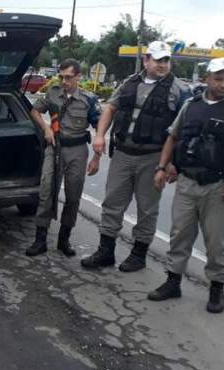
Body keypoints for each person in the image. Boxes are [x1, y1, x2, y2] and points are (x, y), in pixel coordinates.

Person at [148, 57, 224, 313]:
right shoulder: (191, 104)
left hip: (217, 187)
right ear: (206, 79)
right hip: (186, 183)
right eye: (218, 79)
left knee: (216, 242)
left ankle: (216, 289)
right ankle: (173, 281)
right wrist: (162, 166)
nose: (223, 85)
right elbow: (173, 137)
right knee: (179, 235)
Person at [81, 41, 191, 272]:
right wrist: (100, 135)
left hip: (153, 158)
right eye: (158, 60)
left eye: (166, 60)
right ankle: (106, 251)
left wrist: (174, 162)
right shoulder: (129, 83)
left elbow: (185, 129)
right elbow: (110, 108)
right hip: (122, 153)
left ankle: (138, 255)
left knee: (147, 209)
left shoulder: (179, 90)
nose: (162, 65)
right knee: (112, 203)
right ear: (146, 60)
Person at [25, 58, 101, 257]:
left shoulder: (88, 99)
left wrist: (98, 154)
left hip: (77, 150)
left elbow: (99, 124)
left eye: (68, 77)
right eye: (61, 77)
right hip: (54, 147)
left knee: (73, 196)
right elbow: (34, 111)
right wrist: (46, 127)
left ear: (78, 77)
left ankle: (64, 240)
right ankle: (40, 240)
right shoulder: (53, 93)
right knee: (46, 190)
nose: (64, 81)